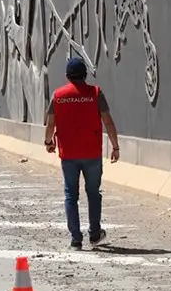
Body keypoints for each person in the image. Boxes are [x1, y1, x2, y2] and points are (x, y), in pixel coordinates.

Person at [44, 57, 120, 251]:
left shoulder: (58, 95)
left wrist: (48, 142)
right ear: (85, 74)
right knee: (93, 193)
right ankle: (94, 234)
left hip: (69, 154)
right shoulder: (95, 93)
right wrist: (115, 145)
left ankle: (75, 239)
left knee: (71, 195)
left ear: (68, 76)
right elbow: (108, 121)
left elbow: (50, 122)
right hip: (92, 153)